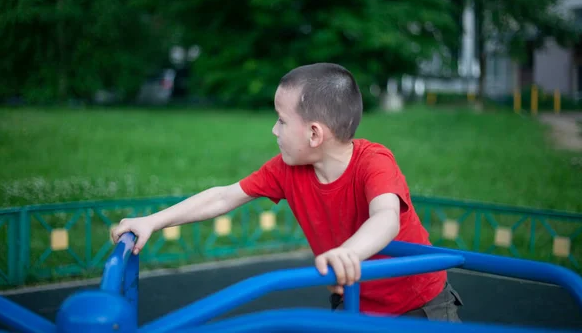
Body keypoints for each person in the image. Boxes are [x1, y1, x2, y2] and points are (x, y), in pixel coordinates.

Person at [111, 62, 463, 320]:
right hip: (354, 300)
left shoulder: (374, 162)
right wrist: (153, 221)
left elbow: (385, 217)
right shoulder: (288, 170)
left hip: (419, 304)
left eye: (281, 120)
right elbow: (224, 196)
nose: (274, 130)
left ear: (314, 134)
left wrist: (348, 253)